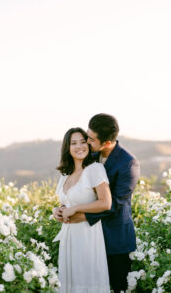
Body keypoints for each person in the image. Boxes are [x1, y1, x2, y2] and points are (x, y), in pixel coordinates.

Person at [55, 114, 140, 293]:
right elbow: (82, 190)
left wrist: (82, 215)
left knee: (118, 288)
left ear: (107, 143)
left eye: (91, 139)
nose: (86, 141)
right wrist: (64, 209)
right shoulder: (90, 153)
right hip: (88, 237)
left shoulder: (129, 163)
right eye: (87, 135)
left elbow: (115, 204)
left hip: (115, 238)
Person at [52, 127, 112, 293]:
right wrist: (58, 211)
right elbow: (66, 202)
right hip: (69, 236)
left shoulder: (95, 169)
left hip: (88, 236)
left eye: (83, 142)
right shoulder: (65, 174)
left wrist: (76, 208)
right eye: (74, 143)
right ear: (67, 148)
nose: (79, 146)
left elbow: (106, 202)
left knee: (86, 280)